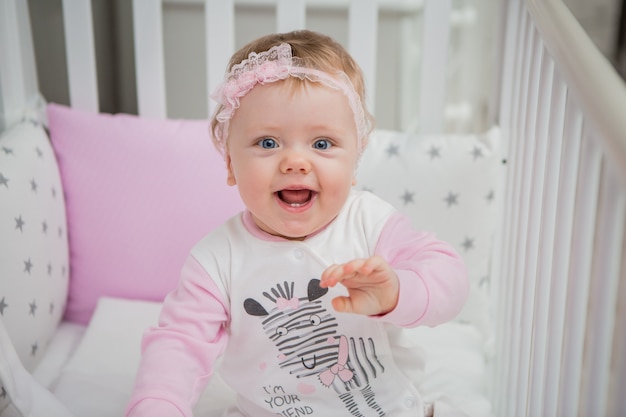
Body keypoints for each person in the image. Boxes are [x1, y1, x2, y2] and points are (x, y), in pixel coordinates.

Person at [125, 30, 469, 417]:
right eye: (268, 143)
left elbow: (449, 278)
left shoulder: (370, 222)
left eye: (322, 144)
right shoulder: (216, 261)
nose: (295, 162)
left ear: (355, 160)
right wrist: (157, 405)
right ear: (229, 164)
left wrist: (397, 292)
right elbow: (178, 346)